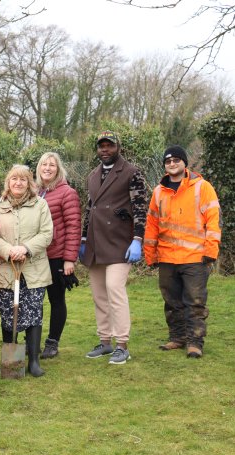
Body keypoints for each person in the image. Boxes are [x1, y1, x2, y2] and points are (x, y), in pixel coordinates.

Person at [144, 145, 221, 358]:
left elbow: (213, 221)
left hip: (195, 257)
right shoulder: (158, 191)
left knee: (195, 302)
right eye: (168, 161)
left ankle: (195, 342)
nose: (172, 164)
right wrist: (150, 254)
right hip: (167, 257)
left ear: (185, 162)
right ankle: (177, 337)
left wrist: (211, 250)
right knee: (171, 302)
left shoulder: (202, 187)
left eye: (176, 160)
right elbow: (152, 224)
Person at [80, 131, 148, 365]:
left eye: (109, 146)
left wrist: (138, 239)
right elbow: (90, 210)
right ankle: (105, 341)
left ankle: (122, 344)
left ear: (118, 147)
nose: (105, 150)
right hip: (96, 243)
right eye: (101, 146)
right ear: (97, 149)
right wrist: (82, 239)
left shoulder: (131, 172)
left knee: (114, 290)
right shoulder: (92, 175)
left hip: (120, 242)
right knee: (99, 295)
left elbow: (140, 208)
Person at [0, 165, 53, 378]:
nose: (18, 183)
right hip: (6, 270)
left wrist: (25, 249)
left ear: (29, 183)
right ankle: (12, 361)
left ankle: (33, 361)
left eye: (23, 180)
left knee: (34, 313)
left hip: (33, 270)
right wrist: (9, 251)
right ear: (8, 182)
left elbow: (46, 233)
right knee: (9, 315)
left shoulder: (40, 205)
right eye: (14, 179)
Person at [35, 153, 82, 359]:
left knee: (56, 299)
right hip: (35, 255)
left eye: (51, 165)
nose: (47, 168)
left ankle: (52, 342)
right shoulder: (34, 191)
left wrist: (69, 258)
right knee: (34, 301)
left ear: (58, 168)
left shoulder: (67, 193)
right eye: (44, 164)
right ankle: (32, 341)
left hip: (56, 256)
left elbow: (73, 227)